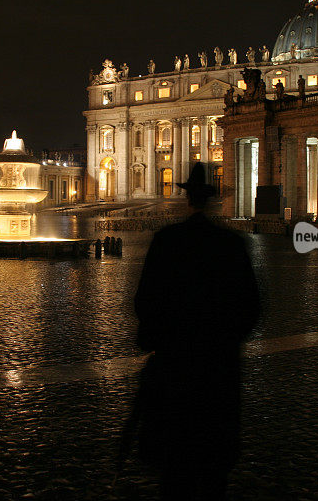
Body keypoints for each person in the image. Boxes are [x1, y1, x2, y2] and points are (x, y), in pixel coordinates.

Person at [133, 162, 261, 500]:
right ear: (215, 201)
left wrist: (157, 340)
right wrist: (226, 340)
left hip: (175, 366)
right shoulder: (233, 244)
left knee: (175, 466)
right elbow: (251, 307)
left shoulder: (166, 241)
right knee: (214, 463)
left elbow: (145, 302)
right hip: (219, 367)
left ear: (187, 200)